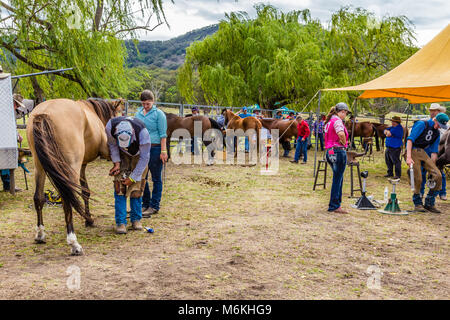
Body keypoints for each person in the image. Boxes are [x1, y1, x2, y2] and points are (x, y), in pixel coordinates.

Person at [106, 116, 150, 234]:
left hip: (139, 157)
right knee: (119, 188)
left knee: (137, 188)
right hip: (121, 155)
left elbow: (145, 158)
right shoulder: (110, 127)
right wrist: (116, 163)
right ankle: (120, 222)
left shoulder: (143, 132)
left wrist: (133, 178)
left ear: (133, 133)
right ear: (116, 133)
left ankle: (136, 220)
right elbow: (113, 146)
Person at [406, 113, 449, 213]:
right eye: (438, 125)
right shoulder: (422, 124)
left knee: (437, 175)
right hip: (412, 150)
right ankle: (417, 203)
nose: (439, 127)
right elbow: (410, 140)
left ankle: (429, 202)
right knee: (418, 177)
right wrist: (408, 157)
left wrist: (432, 168)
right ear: (435, 120)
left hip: (423, 152)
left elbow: (434, 152)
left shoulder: (437, 133)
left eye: (441, 126)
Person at [135, 90, 168, 216]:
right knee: (143, 177)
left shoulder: (159, 114)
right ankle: (145, 203)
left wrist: (163, 150)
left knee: (156, 178)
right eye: (143, 104)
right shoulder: (138, 113)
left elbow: (163, 134)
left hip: (155, 148)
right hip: (142, 149)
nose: (145, 106)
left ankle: (154, 205)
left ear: (152, 102)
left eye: (148, 104)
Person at [324, 102, 350, 214]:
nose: (345, 115)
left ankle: (335, 204)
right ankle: (335, 205)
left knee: (337, 178)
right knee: (338, 179)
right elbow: (340, 133)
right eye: (345, 112)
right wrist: (344, 143)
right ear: (341, 112)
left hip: (329, 151)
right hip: (338, 150)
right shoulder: (338, 121)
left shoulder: (329, 121)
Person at [420, 103, 447, 200]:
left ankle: (442, 192)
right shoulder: (426, 122)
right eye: (431, 111)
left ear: (439, 112)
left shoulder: (444, 125)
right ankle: (421, 192)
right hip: (426, 150)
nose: (432, 112)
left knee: (439, 173)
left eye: (434, 111)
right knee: (422, 172)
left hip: (438, 152)